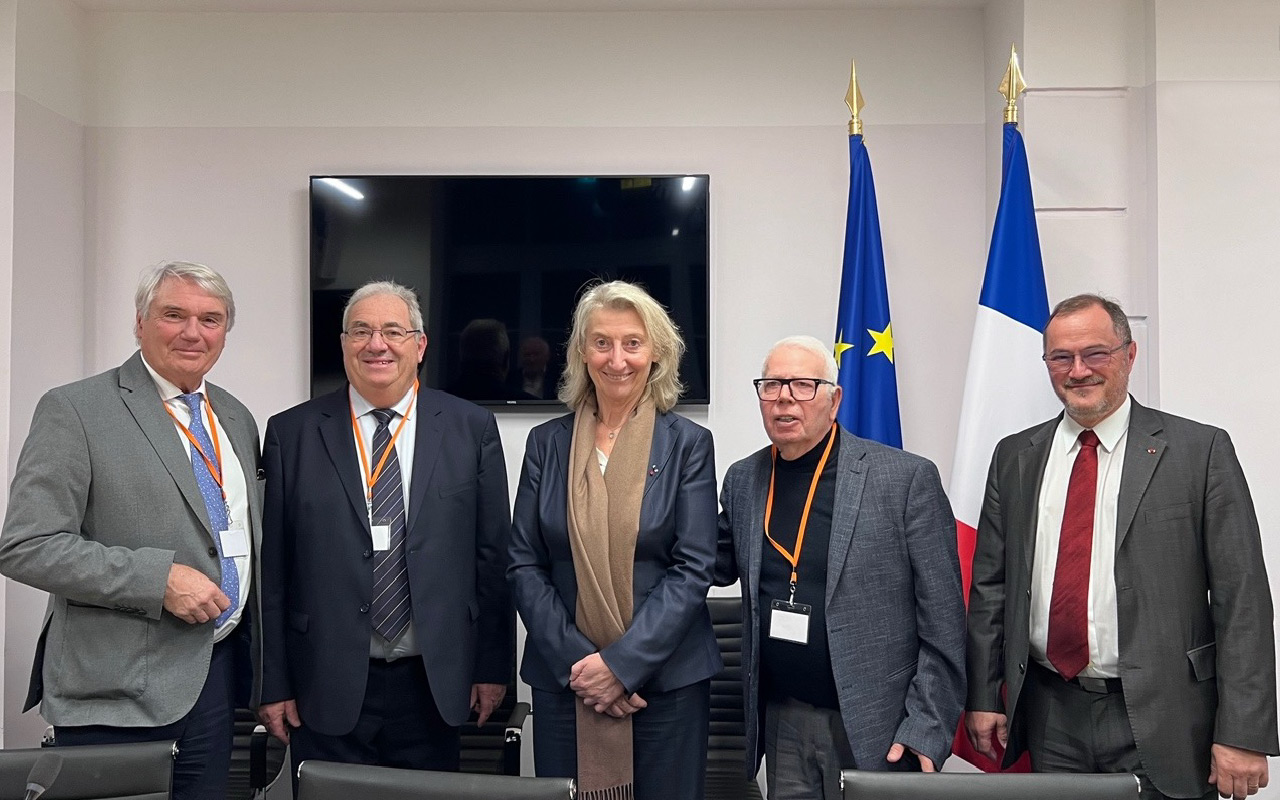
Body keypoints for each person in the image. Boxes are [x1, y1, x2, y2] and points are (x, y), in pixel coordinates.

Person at [965, 294, 1278, 800]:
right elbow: (991, 590)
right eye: (1061, 358)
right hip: (1050, 712)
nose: (1078, 370)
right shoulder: (1015, 456)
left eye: (1096, 353)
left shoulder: (1199, 452)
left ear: (1129, 355)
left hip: (1168, 714)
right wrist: (983, 695)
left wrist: (1243, 731)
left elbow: (1242, 600)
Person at [0, 261, 261, 800]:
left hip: (216, 677)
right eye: (174, 315)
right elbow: (26, 545)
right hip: (115, 687)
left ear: (225, 333)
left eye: (211, 319)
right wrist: (157, 579)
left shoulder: (235, 416)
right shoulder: (76, 409)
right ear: (140, 323)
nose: (193, 332)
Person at [258, 280, 513, 773]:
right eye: (361, 331)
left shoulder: (471, 428)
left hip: (435, 679)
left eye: (393, 331)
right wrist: (274, 682)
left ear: (419, 345)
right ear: (343, 344)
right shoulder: (291, 433)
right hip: (324, 679)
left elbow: (493, 559)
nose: (377, 344)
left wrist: (491, 667)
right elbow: (275, 571)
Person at [715, 335, 965, 800]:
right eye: (771, 385)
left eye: (803, 385)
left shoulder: (905, 479)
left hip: (877, 725)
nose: (785, 397)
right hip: (784, 722)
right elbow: (711, 562)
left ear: (834, 399)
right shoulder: (744, 479)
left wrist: (927, 726)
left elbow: (945, 621)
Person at [508, 280, 720, 800]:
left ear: (657, 354)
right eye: (602, 342)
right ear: (583, 352)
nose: (617, 359)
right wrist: (586, 666)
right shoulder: (547, 444)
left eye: (633, 343)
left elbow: (693, 566)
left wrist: (622, 666)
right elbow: (523, 563)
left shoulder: (689, 444)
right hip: (568, 680)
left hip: (666, 683)